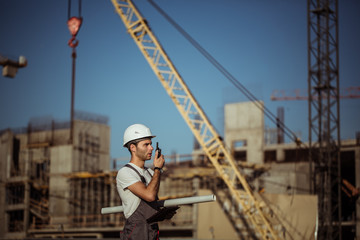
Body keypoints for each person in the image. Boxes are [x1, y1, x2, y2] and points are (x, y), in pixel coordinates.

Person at [116, 123, 176, 240]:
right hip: (137, 231)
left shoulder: (150, 173)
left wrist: (162, 213)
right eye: (146, 145)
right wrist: (158, 169)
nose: (151, 148)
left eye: (151, 144)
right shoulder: (125, 172)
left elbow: (151, 203)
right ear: (133, 147)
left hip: (152, 228)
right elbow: (149, 195)